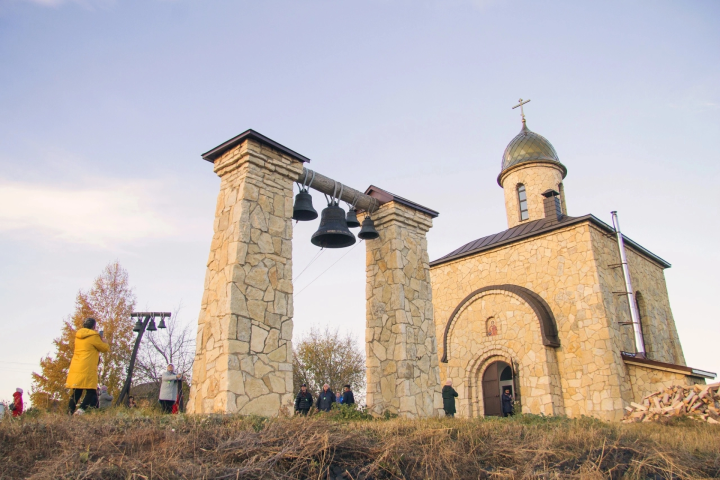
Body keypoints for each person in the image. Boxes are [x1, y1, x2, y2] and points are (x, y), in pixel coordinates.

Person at [66, 318, 110, 415]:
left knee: (77, 391)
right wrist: (104, 341)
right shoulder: (94, 336)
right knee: (92, 391)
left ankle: (69, 413)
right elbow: (104, 348)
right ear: (94, 326)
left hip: (77, 366)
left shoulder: (78, 337)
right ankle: (80, 410)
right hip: (88, 366)